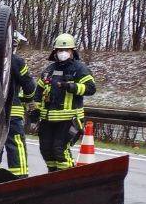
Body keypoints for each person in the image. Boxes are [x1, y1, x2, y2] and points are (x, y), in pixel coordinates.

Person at [31, 33, 97, 171]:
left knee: (59, 150)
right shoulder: (48, 71)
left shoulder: (79, 69)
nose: (63, 53)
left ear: (72, 51)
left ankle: (67, 177)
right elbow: (38, 93)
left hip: (69, 119)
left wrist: (71, 86)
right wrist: (35, 110)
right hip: (48, 120)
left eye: (66, 50)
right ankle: (53, 177)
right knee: (46, 150)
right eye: (60, 50)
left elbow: (91, 88)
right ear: (55, 52)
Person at [4, 32, 37, 178]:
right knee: (16, 144)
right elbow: (29, 85)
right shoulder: (16, 61)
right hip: (12, 111)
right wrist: (28, 100)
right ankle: (20, 178)